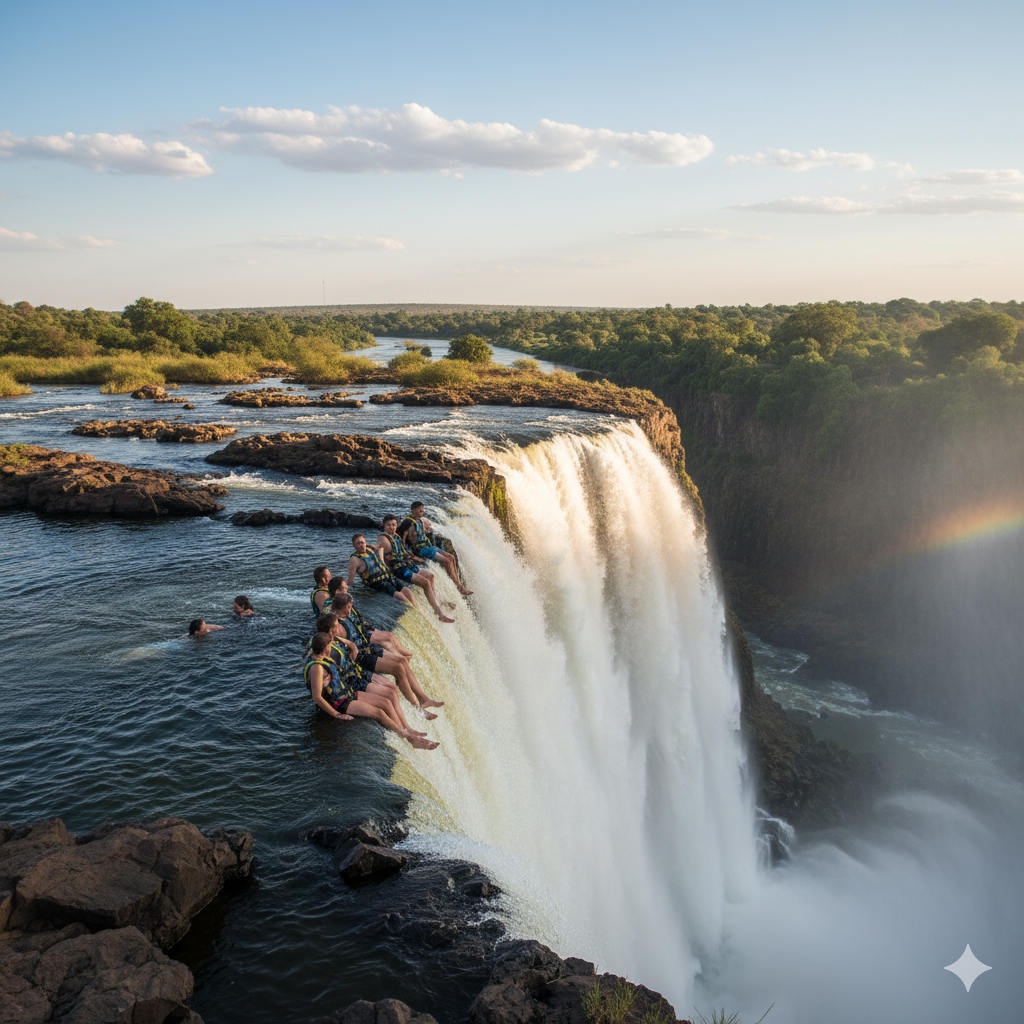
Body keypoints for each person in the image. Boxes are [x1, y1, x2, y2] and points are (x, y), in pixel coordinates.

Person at [304, 633, 438, 750]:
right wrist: (336, 715)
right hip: (341, 702)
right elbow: (317, 697)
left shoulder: (317, 652)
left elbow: (327, 638)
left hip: (348, 691)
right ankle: (410, 738)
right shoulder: (317, 668)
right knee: (379, 713)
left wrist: (349, 643)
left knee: (385, 702)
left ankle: (408, 730)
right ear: (324, 647)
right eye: (329, 645)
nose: (332, 647)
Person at [326, 601, 443, 711]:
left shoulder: (344, 617)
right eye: (347, 608)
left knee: (402, 660)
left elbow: (360, 629)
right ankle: (416, 706)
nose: (349, 610)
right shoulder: (335, 626)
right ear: (339, 609)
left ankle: (423, 698)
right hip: (362, 657)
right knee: (397, 668)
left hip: (366, 647)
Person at [375, 517, 454, 623]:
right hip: (399, 570)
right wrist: (384, 569)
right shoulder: (383, 539)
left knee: (430, 576)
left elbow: (404, 552)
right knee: (425, 582)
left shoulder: (397, 536)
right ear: (384, 525)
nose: (391, 527)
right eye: (389, 525)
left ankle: (435, 602)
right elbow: (379, 553)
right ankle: (439, 614)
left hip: (407, 565)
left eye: (394, 525)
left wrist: (417, 559)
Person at [327, 578, 413, 659]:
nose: (347, 587)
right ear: (338, 591)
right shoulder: (332, 605)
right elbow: (330, 620)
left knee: (389, 638)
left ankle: (403, 656)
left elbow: (355, 617)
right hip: (359, 634)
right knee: (388, 638)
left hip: (362, 628)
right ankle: (404, 656)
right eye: (344, 586)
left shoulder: (342, 600)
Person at [400, 501, 471, 595]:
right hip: (420, 550)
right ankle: (458, 587)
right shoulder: (407, 522)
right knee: (446, 561)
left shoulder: (419, 520)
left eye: (423, 509)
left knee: (451, 557)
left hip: (427, 547)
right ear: (413, 510)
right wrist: (408, 554)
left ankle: (458, 585)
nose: (422, 511)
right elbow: (401, 538)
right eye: (420, 509)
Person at [346, 535, 418, 609]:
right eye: (359, 543)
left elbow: (379, 546)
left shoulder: (369, 549)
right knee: (398, 594)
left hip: (387, 576)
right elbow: (350, 580)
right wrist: (343, 587)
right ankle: (411, 608)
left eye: (363, 542)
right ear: (354, 545)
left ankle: (417, 608)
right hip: (377, 583)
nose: (362, 545)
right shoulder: (354, 559)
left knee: (406, 589)